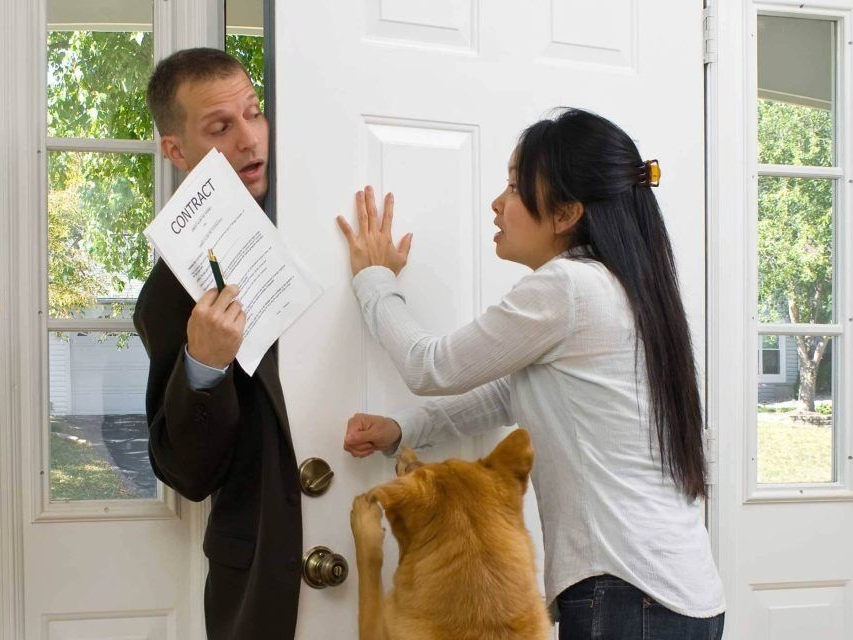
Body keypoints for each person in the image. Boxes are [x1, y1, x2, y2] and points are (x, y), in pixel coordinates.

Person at [336, 108, 726, 639]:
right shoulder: (627, 287)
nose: (499, 203)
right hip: (682, 597)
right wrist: (406, 430)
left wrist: (374, 280)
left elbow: (429, 365)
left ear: (565, 212)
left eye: (516, 187)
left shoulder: (568, 288)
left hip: (627, 595)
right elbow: (516, 394)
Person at [134, 48, 301, 640]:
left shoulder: (319, 223)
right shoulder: (167, 295)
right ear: (176, 151)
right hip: (260, 574)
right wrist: (203, 364)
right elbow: (186, 472)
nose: (251, 140)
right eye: (221, 127)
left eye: (254, 114)